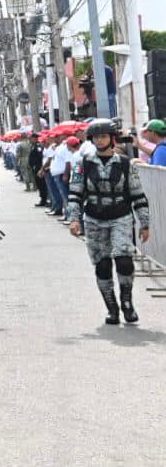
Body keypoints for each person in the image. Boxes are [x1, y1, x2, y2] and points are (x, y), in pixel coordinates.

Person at [67, 119, 152, 325]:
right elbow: (75, 194)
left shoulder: (124, 164)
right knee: (102, 265)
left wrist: (144, 223)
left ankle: (127, 301)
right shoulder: (82, 164)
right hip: (94, 219)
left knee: (123, 260)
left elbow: (138, 194)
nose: (100, 140)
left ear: (111, 139)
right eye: (96, 137)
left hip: (120, 217)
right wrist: (74, 220)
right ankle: (111, 307)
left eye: (104, 136)